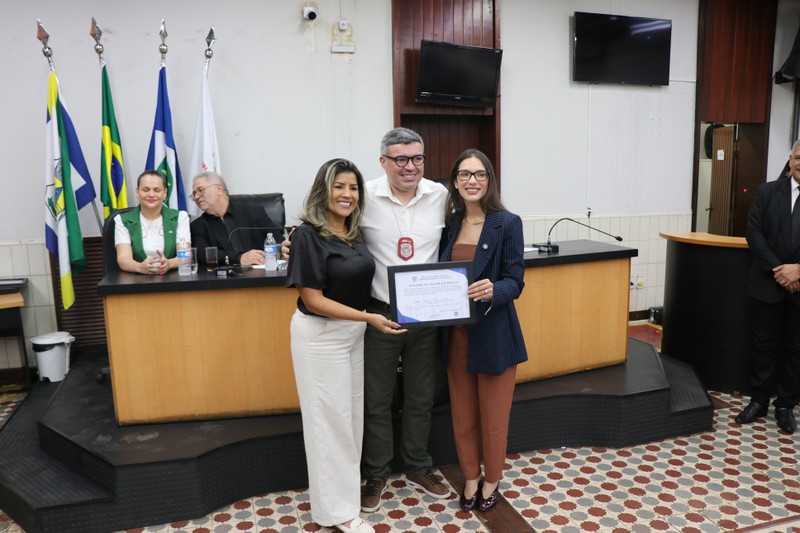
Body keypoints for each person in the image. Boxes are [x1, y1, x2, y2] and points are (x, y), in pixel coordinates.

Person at [282, 128, 451, 511]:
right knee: (376, 399)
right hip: (376, 311)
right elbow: (326, 230)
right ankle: (376, 472)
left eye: (417, 158)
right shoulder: (363, 195)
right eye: (400, 159)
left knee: (421, 395)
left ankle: (419, 465)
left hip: (426, 312)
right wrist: (293, 241)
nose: (410, 166)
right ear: (383, 161)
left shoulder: (440, 195)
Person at [286, 158, 404, 533]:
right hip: (322, 336)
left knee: (349, 423)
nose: (347, 194)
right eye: (339, 186)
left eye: (353, 188)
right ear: (323, 190)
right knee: (329, 426)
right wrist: (369, 318)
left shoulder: (353, 233)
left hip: (352, 334)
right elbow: (315, 300)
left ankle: (345, 501)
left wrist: (365, 320)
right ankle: (337, 514)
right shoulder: (307, 235)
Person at [439, 149, 527, 512]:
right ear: (455, 181)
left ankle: (492, 478)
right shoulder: (450, 222)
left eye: (479, 174)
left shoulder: (506, 222)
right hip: (456, 335)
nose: (472, 181)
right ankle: (470, 476)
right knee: (463, 414)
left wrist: (495, 289)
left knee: (493, 417)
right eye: (464, 174)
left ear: (489, 180)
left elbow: (515, 280)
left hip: (494, 334)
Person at [735, 141, 800, 434]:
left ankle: (786, 405)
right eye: (798, 157)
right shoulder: (768, 192)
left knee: (796, 349)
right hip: (769, 284)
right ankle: (759, 400)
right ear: (790, 159)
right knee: (764, 345)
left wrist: (798, 271)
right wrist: (780, 270)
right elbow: (754, 233)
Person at [189, 171, 280, 267]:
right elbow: (203, 255)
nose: (196, 197)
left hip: (262, 271)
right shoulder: (197, 226)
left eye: (200, 190)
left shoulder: (254, 212)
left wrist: (284, 249)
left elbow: (278, 241)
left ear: (219, 188)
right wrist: (239, 258)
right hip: (225, 275)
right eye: (194, 194)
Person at [114, 170, 190, 275]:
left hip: (172, 278)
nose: (151, 194)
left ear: (165, 193)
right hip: (137, 279)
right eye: (145, 190)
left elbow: (185, 255)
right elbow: (123, 259)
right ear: (137, 192)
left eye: (157, 190)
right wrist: (140, 267)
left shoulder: (180, 217)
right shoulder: (122, 220)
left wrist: (169, 264)